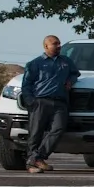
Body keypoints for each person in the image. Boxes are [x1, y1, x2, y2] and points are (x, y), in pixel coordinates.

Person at [20, 35, 78, 173]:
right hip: (40, 101)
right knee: (36, 133)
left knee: (58, 129)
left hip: (60, 102)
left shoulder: (66, 61)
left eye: (59, 43)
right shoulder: (35, 63)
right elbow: (26, 84)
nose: (58, 46)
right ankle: (32, 164)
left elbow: (75, 73)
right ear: (46, 46)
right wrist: (30, 101)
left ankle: (38, 157)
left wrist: (71, 80)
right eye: (55, 44)